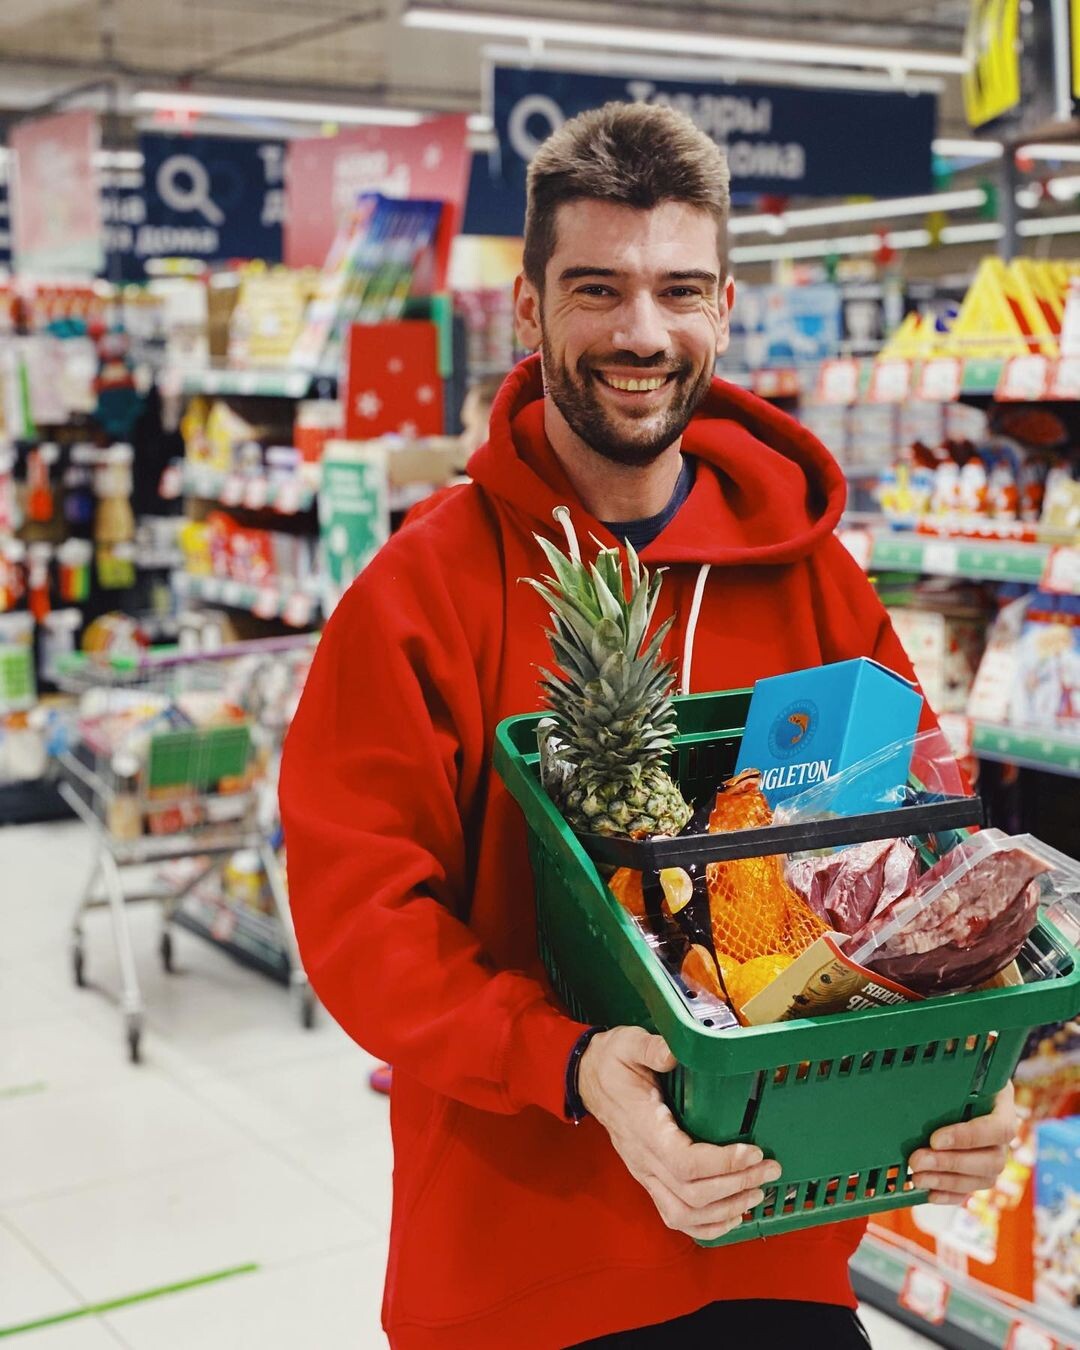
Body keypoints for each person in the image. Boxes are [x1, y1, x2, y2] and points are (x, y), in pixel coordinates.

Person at [280, 102, 1015, 1349]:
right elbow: (362, 921)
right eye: (596, 289)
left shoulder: (816, 580)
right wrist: (567, 1065)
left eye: (679, 289)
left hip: (777, 1245)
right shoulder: (419, 593)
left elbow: (922, 851)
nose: (641, 332)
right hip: (519, 1265)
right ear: (527, 312)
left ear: (722, 308)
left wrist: (958, 1071)